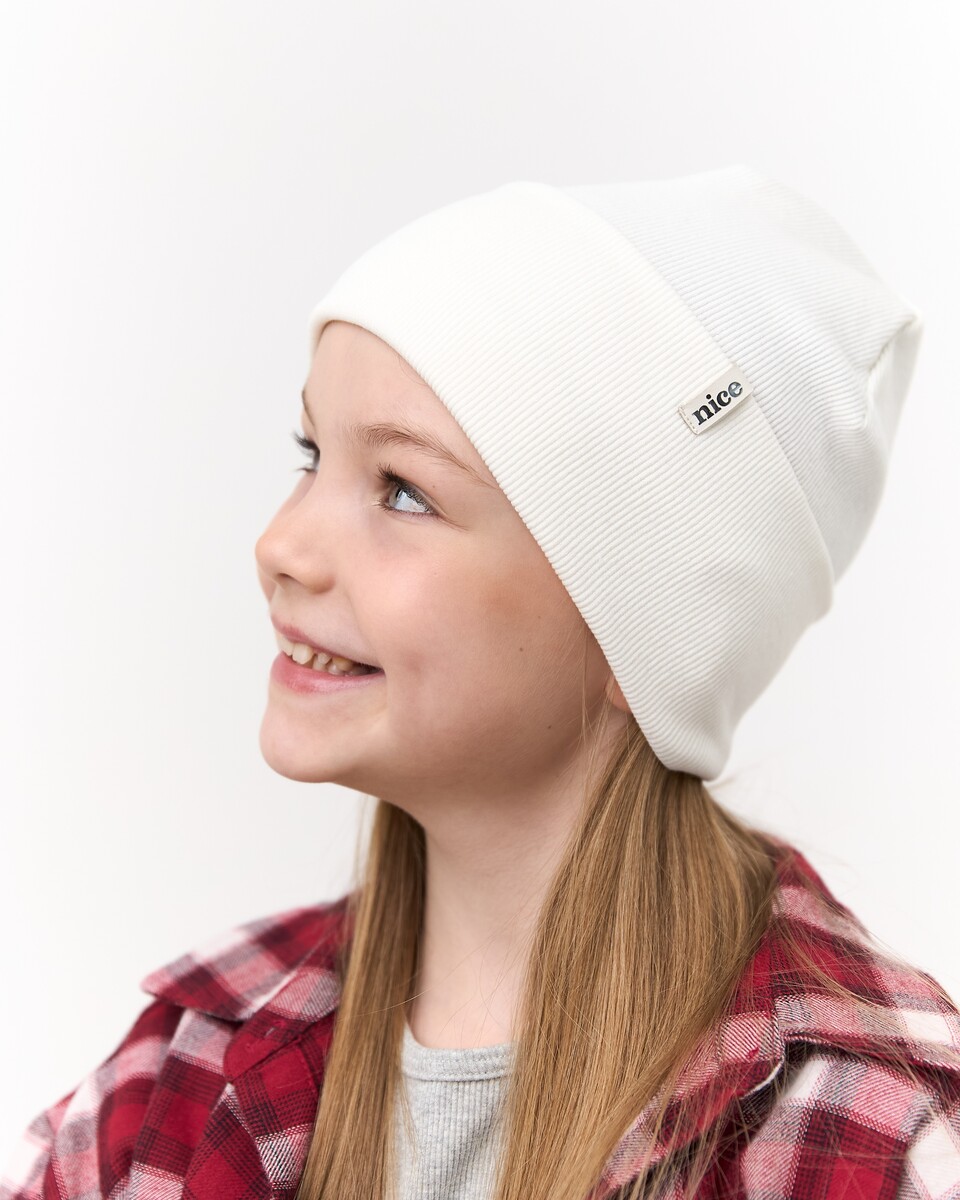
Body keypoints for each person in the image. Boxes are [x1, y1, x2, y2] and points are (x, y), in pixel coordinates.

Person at [3, 166, 959, 1200]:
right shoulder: (186, 1070)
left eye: (404, 492)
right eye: (310, 453)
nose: (281, 546)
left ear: (637, 630)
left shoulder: (869, 1138)